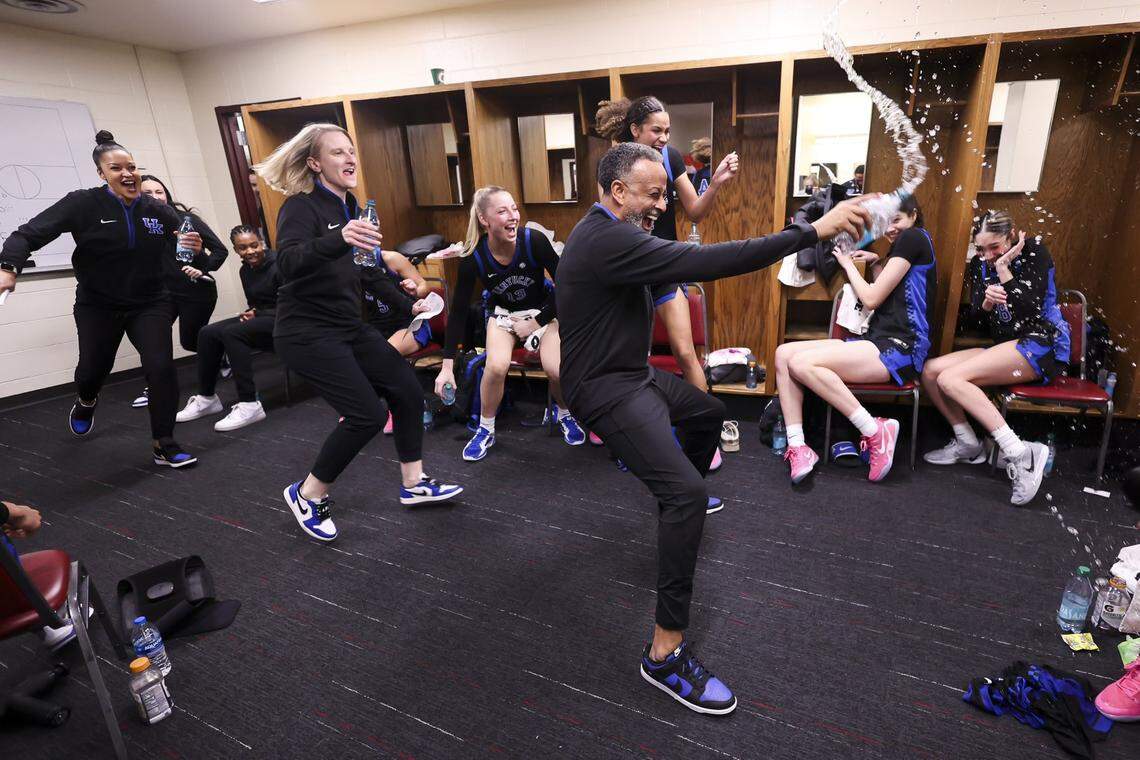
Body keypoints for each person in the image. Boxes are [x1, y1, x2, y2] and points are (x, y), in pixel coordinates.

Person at [557, 142, 871, 715]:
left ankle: (674, 498)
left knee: (707, 414)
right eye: (650, 195)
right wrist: (810, 231)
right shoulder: (604, 237)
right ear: (616, 191)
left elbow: (677, 267)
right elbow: (712, 260)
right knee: (687, 495)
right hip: (602, 390)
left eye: (662, 194)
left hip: (634, 375)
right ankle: (665, 656)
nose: (659, 205)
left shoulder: (617, 233)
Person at [254, 123, 462, 542]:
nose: (349, 159)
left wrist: (411, 305)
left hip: (347, 326)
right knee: (367, 414)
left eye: (351, 151)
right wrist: (339, 241)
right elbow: (287, 264)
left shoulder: (353, 211)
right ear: (314, 163)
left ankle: (414, 482)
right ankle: (307, 494)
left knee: (405, 389)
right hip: (305, 332)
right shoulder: (302, 207)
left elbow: (368, 274)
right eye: (337, 153)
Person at [0, 131, 200, 468]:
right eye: (116, 168)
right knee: (93, 369)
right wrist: (8, 267)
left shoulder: (156, 210)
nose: (127, 174)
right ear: (101, 173)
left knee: (161, 367)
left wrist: (191, 253)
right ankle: (87, 398)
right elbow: (26, 234)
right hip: (98, 305)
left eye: (132, 167)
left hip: (149, 303)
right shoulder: (83, 203)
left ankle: (164, 443)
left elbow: (188, 249)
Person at [595, 97, 739, 472]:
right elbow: (607, 219)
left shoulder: (672, 158)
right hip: (628, 269)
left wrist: (717, 183)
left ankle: (706, 433)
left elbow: (695, 210)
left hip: (661, 265)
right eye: (656, 130)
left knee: (685, 351)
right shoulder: (619, 164)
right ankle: (633, 438)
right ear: (635, 130)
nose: (663, 137)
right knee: (632, 360)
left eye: (667, 131)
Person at [774, 196, 935, 484]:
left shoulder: (913, 238)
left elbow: (872, 299)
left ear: (914, 214)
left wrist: (847, 264)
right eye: (886, 223)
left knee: (801, 364)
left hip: (901, 348)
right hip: (880, 339)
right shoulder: (910, 243)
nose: (890, 228)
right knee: (783, 353)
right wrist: (876, 264)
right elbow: (897, 294)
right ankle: (798, 446)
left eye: (896, 220)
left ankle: (873, 430)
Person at [920, 211, 1069, 506]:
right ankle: (968, 443)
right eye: (981, 249)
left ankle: (1021, 453)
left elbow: (1030, 309)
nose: (988, 255)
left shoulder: (1036, 252)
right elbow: (976, 316)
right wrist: (986, 303)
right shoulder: (980, 263)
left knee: (951, 379)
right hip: (1006, 345)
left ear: (1012, 234)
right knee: (932, 372)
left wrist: (1004, 269)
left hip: (1043, 343)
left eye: (995, 247)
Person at [432, 186, 584, 461]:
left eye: (514, 208)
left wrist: (536, 320)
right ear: (484, 219)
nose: (513, 216)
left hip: (543, 312)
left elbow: (568, 288)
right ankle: (485, 428)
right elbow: (457, 313)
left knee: (556, 369)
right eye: (502, 211)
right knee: (496, 365)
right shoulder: (473, 257)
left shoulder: (533, 241)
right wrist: (446, 367)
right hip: (504, 315)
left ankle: (564, 413)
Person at [131, 174, 229, 409]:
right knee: (152, 342)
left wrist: (201, 266)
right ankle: (155, 386)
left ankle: (224, 354)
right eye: (147, 194)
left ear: (166, 194)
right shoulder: (137, 225)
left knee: (190, 342)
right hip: (161, 295)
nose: (155, 197)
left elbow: (219, 251)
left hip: (195, 291)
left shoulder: (185, 220)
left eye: (159, 192)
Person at [175, 225, 282, 432]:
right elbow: (256, 303)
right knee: (207, 333)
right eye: (243, 248)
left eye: (254, 245)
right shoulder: (245, 270)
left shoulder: (280, 264)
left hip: (287, 319)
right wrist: (253, 312)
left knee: (232, 332)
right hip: (264, 318)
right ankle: (207, 399)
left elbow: (294, 304)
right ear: (236, 251)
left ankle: (250, 404)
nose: (250, 252)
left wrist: (258, 314)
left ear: (262, 243)